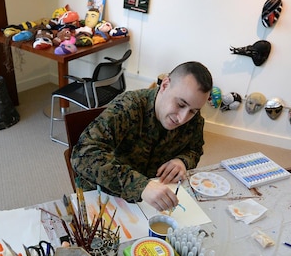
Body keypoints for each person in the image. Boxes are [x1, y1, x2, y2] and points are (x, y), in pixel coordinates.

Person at [70, 61, 212, 212]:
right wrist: (140, 185)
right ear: (164, 85)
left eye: (193, 111)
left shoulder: (194, 120)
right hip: (106, 198)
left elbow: (194, 150)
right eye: (180, 104)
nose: (182, 118)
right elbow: (83, 156)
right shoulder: (127, 108)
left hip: (152, 201)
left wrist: (182, 161)